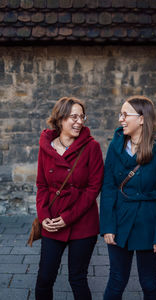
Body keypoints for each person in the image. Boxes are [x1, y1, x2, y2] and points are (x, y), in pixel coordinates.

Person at [100, 95, 156, 300]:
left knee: (149, 282)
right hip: (120, 221)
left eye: (125, 115)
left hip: (149, 224)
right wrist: (107, 226)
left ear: (142, 118)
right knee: (116, 280)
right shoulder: (115, 147)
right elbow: (108, 188)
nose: (121, 119)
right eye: (120, 114)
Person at [35, 97, 104, 300]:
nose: (79, 121)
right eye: (74, 116)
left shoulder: (92, 147)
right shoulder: (46, 147)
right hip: (52, 222)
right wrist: (43, 216)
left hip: (82, 223)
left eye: (82, 116)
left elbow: (93, 188)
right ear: (60, 119)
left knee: (77, 279)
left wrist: (68, 217)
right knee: (44, 279)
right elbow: (41, 185)